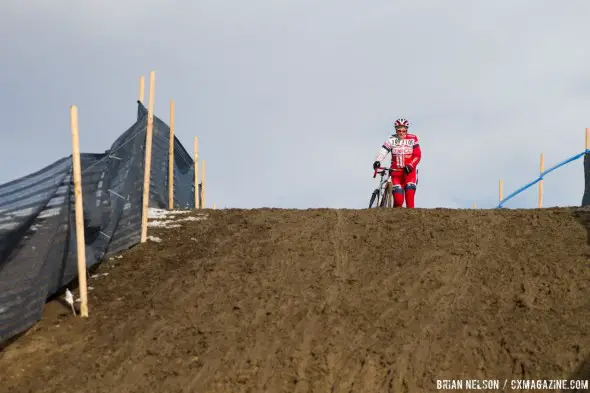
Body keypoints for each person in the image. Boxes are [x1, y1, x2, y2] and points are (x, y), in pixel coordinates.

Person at [372, 118, 422, 208]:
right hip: (396, 173)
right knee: (398, 201)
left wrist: (410, 165)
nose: (401, 133)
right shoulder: (391, 139)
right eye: (399, 131)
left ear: (406, 130)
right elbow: (383, 151)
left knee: (409, 198)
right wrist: (377, 161)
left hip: (410, 173)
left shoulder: (413, 138)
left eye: (404, 131)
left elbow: (417, 155)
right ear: (396, 130)